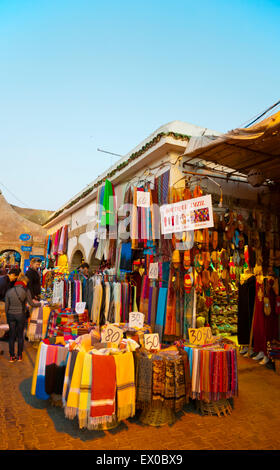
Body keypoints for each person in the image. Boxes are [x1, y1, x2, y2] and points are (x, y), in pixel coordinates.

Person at [5, 273, 41, 363]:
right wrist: (40, 304)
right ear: (24, 281)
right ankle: (19, 356)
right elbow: (31, 304)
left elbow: (6, 307)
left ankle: (12, 356)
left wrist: (8, 317)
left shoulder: (9, 291)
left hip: (10, 315)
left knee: (12, 336)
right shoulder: (25, 290)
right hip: (21, 315)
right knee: (20, 335)